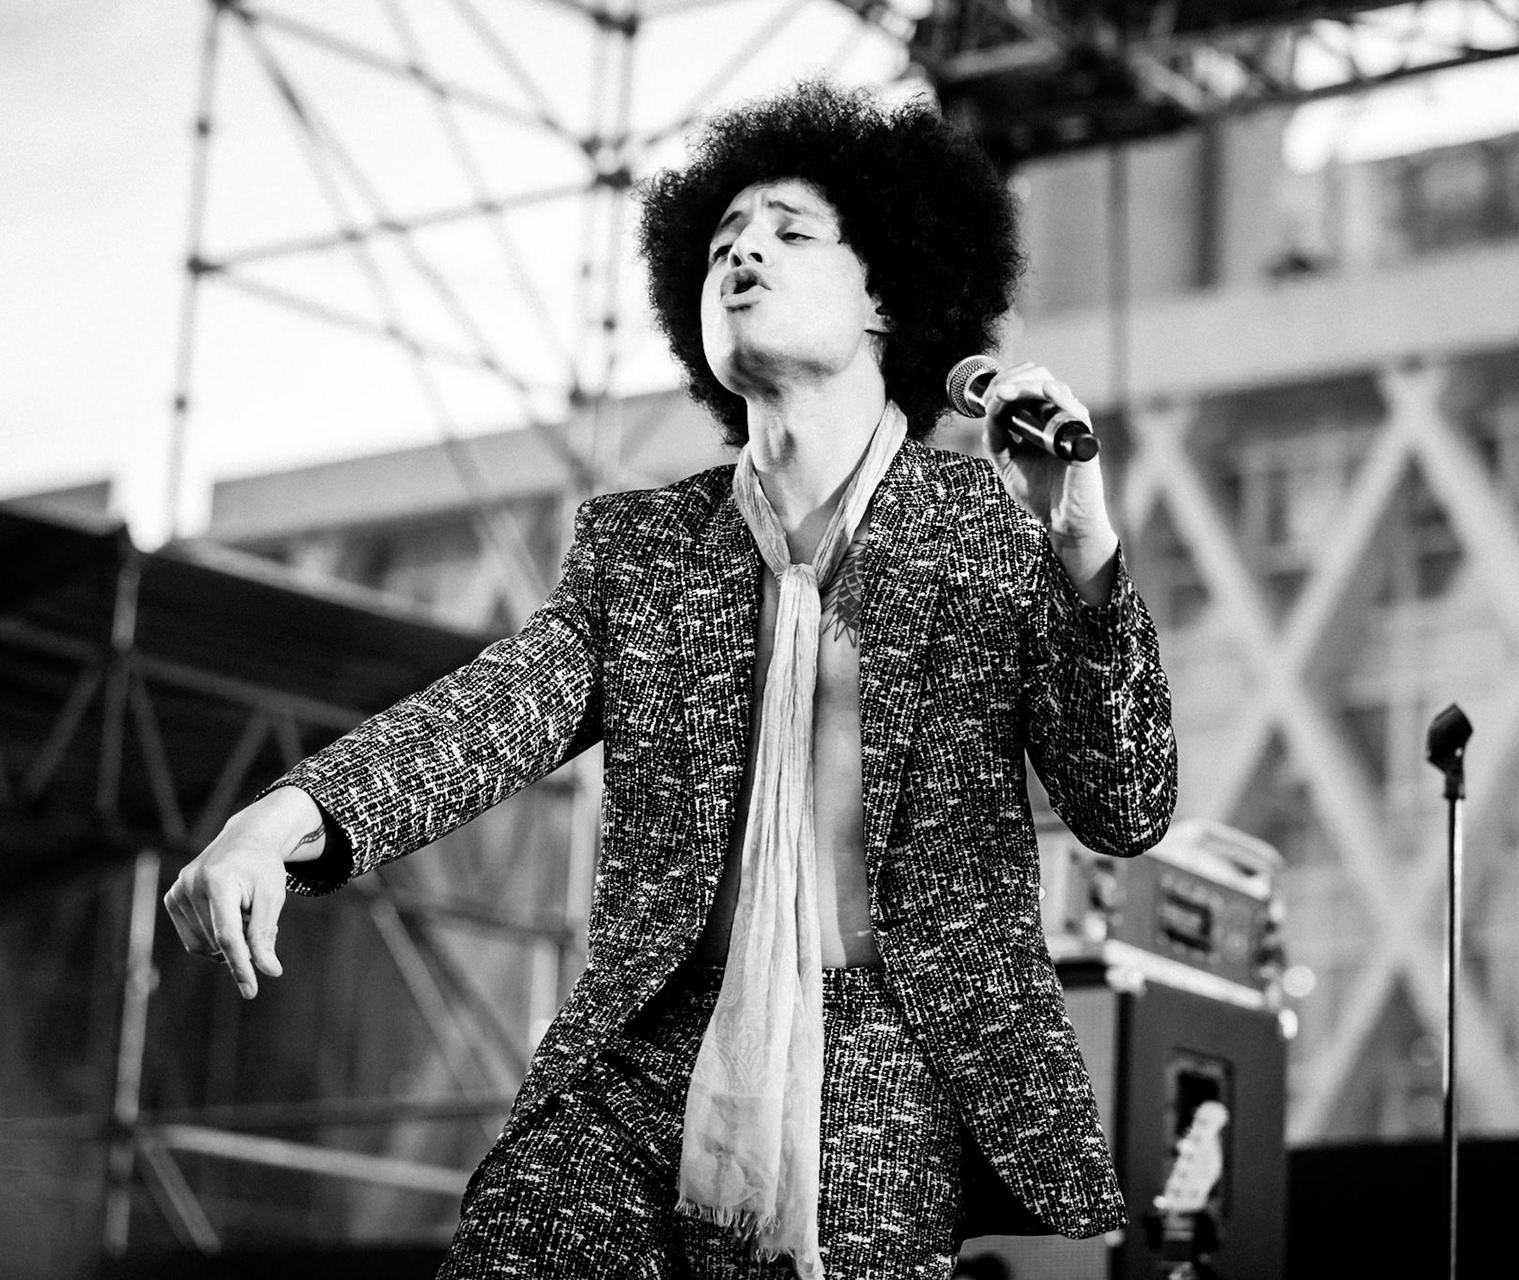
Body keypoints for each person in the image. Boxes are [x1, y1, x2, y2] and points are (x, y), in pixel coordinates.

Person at [164, 80, 1176, 1278]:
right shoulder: (642, 548)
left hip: (891, 1054)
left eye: (793, 231)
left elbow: (1128, 804)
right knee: (513, 1245)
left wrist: (1084, 549)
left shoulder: (992, 527)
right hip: (649, 1043)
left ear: (885, 299)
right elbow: (488, 713)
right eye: (721, 241)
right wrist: (283, 817)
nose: (745, 248)